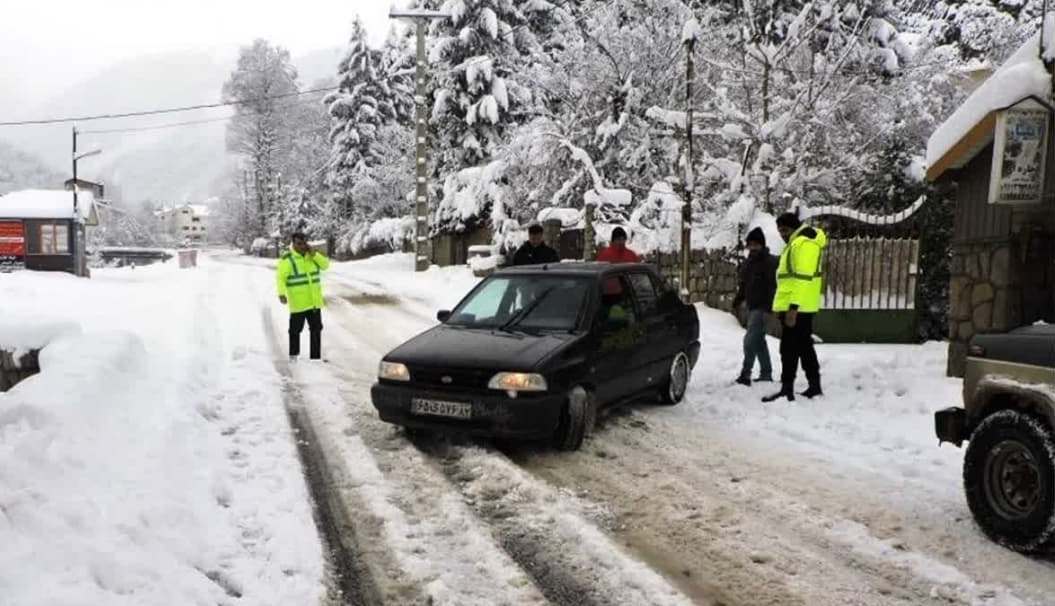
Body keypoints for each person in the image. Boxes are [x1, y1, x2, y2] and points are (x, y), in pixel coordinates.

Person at [763, 213, 828, 403]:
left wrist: (792, 309)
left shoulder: (804, 243)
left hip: (799, 307)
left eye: (784, 230)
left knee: (789, 349)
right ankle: (814, 386)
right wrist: (779, 306)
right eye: (779, 231)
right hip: (796, 305)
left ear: (793, 227)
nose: (782, 234)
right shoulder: (795, 243)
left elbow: (802, 278)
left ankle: (787, 389)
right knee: (804, 346)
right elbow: (786, 281)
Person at [731, 227, 777, 387]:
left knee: (749, 341)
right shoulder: (748, 262)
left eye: (756, 244)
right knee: (759, 341)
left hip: (763, 307)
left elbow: (775, 285)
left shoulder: (770, 262)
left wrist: (772, 305)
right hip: (752, 305)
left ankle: (746, 374)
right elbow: (744, 284)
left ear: (762, 245)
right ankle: (766, 374)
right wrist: (738, 299)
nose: (753, 247)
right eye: (750, 244)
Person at [276, 232, 331, 361]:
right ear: (293, 244)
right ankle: (293, 356)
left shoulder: (312, 256)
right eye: (298, 243)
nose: (302, 246)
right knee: (295, 331)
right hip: (298, 303)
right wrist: (281, 293)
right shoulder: (288, 259)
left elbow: (325, 266)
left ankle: (315, 358)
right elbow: (280, 278)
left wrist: (315, 254)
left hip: (314, 302)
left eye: (303, 243)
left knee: (316, 329)